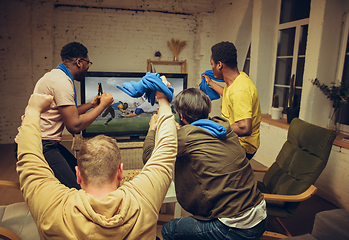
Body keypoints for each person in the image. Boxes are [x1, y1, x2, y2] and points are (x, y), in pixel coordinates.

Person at [16, 89, 177, 239]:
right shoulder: (144, 197)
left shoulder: (52, 205)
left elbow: (29, 157)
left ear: (78, 174)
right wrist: (163, 101)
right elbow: (166, 148)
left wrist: (33, 110)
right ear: (120, 172)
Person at [142, 88, 267, 240]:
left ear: (181, 115)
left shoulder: (186, 136)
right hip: (260, 216)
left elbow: (150, 158)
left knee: (169, 229)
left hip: (235, 228)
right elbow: (196, 136)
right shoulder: (222, 127)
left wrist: (153, 129)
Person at [15, 42, 114, 189]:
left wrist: (91, 105)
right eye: (88, 63)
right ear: (80, 62)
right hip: (40, 145)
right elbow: (74, 125)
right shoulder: (62, 82)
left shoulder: (56, 76)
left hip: (44, 142)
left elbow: (66, 112)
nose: (88, 67)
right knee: (75, 188)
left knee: (80, 175)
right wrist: (102, 106)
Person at [203, 41, 261, 160]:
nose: (212, 68)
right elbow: (230, 95)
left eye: (212, 64)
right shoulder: (238, 79)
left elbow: (244, 127)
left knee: (201, 153)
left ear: (219, 65)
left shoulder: (240, 89)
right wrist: (210, 83)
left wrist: (213, 127)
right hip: (234, 140)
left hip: (242, 147)